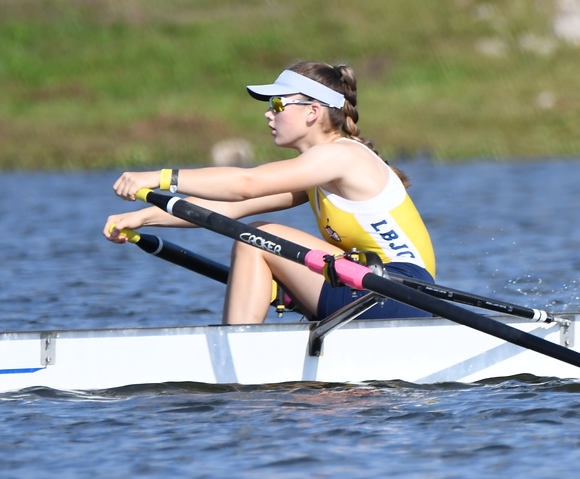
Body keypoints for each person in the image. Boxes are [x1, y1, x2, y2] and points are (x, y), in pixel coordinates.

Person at [104, 61, 436, 324]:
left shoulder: (342, 156)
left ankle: (237, 350)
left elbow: (245, 184)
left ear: (312, 111)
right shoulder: (317, 172)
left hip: (400, 291)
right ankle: (245, 337)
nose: (268, 112)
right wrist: (140, 218)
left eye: (277, 103)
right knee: (257, 237)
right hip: (370, 286)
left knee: (259, 237)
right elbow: (226, 208)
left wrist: (160, 177)